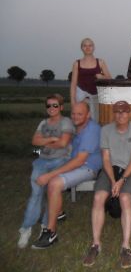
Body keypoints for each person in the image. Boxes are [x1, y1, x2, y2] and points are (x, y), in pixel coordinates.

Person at [32, 102, 102, 249]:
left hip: (88, 167)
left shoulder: (92, 130)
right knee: (46, 174)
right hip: (74, 161)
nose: (75, 117)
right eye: (73, 113)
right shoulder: (76, 126)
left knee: (53, 182)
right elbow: (66, 144)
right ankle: (59, 212)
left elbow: (79, 161)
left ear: (88, 115)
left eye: (80, 114)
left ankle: (51, 233)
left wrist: (51, 174)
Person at [82, 101, 131, 268]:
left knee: (124, 198)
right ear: (113, 113)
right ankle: (95, 244)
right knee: (98, 197)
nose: (120, 115)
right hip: (110, 170)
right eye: (117, 112)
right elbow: (106, 158)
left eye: (124, 112)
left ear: (129, 113)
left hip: (128, 171)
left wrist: (122, 180)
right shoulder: (106, 130)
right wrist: (112, 180)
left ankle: (126, 246)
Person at [17, 94, 74, 249]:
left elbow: (63, 143)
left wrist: (46, 142)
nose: (51, 108)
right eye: (48, 105)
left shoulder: (66, 122)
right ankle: (26, 228)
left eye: (55, 105)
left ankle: (45, 225)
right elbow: (34, 141)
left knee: (51, 191)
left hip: (60, 160)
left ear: (61, 107)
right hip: (42, 161)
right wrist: (51, 140)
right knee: (35, 193)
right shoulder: (43, 122)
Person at [70, 37, 112, 122]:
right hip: (82, 95)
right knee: (81, 119)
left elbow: (109, 78)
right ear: (81, 48)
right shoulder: (76, 63)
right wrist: (73, 102)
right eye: (85, 46)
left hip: (96, 95)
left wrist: (101, 76)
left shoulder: (100, 62)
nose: (88, 48)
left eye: (90, 45)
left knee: (96, 119)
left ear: (94, 47)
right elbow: (73, 84)